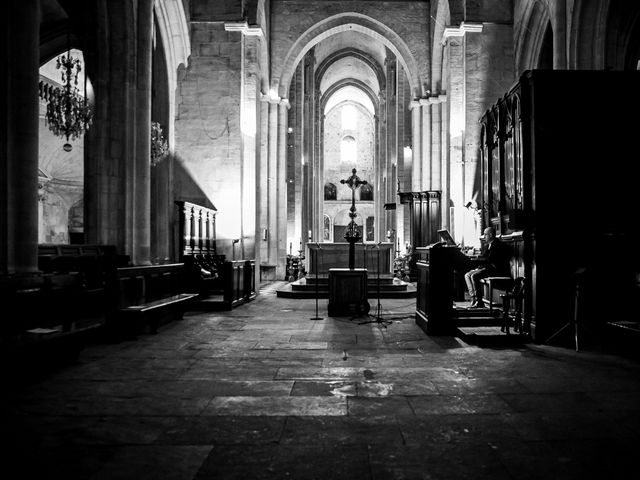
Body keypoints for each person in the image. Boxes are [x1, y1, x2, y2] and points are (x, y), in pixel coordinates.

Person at [464, 227, 510, 308]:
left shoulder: (497, 245)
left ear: (491, 235)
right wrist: (478, 265)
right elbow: (484, 258)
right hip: (487, 268)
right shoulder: (488, 245)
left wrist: (477, 260)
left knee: (474, 276)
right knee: (467, 275)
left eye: (485, 234)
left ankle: (479, 301)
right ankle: (473, 298)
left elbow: (490, 260)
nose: (484, 236)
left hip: (495, 270)